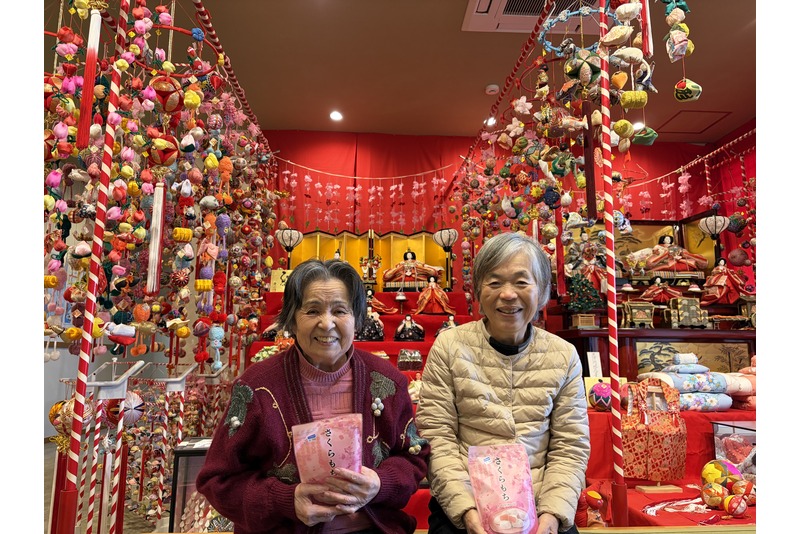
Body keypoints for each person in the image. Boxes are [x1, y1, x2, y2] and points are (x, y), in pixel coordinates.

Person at [196, 259, 430, 533]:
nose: (327, 323)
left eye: (340, 311)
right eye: (313, 310)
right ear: (292, 320)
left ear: (357, 319)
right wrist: (285, 501)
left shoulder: (387, 381)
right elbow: (217, 479)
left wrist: (380, 483)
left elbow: (414, 456)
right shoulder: (256, 387)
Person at [416, 232, 590, 534]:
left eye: (522, 282)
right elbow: (437, 437)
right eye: (495, 282)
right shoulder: (449, 346)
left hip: (539, 504)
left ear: (543, 291)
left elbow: (570, 446)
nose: (508, 294)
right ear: (478, 291)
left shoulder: (564, 356)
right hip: (465, 503)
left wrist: (552, 514)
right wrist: (467, 511)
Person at [645, 234, 709, 272]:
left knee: (686, 254)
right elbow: (656, 253)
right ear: (663, 240)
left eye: (669, 239)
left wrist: (681, 254)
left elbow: (679, 251)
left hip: (678, 259)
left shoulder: (674, 246)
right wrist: (665, 253)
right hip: (665, 259)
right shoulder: (659, 246)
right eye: (666, 239)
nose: (668, 240)